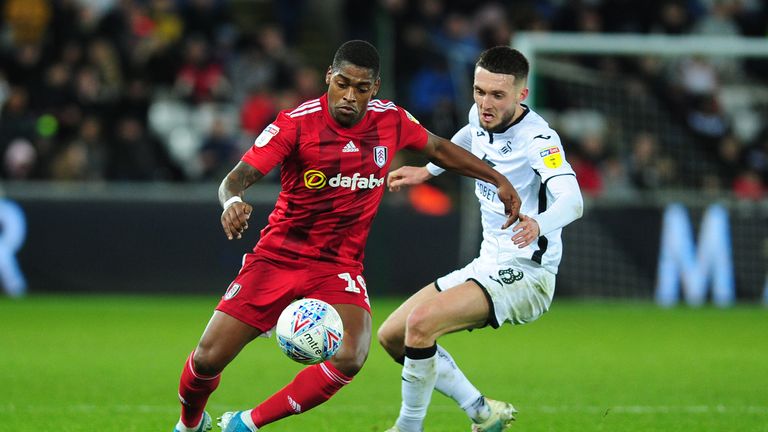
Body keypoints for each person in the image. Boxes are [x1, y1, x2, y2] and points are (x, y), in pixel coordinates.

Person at [172, 40, 521, 432]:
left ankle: (247, 424)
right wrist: (231, 201)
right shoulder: (296, 123)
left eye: (361, 88)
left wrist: (497, 178)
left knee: (351, 355)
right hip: (278, 257)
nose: (349, 96)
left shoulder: (391, 121)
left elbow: (438, 148)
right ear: (328, 78)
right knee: (206, 359)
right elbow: (235, 178)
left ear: (375, 88)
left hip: (338, 265)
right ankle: (190, 424)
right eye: (342, 84)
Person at [378, 46, 584, 432]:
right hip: (486, 263)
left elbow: (573, 201)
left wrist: (540, 224)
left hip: (527, 272)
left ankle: (408, 427)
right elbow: (467, 138)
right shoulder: (479, 117)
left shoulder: (538, 139)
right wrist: (427, 171)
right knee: (392, 336)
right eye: (479, 91)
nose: (484, 103)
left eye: (497, 95)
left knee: (421, 324)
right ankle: (481, 412)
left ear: (522, 95)